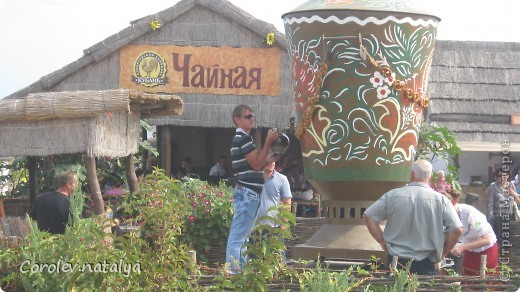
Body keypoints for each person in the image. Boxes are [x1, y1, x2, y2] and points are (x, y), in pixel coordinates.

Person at [363, 159, 463, 275]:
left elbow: (368, 216)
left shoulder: (392, 195)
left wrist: (382, 242)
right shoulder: (441, 200)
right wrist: (443, 253)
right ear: (430, 176)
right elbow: (457, 230)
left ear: (411, 174)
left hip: (396, 259)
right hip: (426, 261)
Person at [225, 104, 279, 274]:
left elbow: (256, 162)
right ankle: (234, 274)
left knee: (243, 237)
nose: (252, 118)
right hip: (248, 193)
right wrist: (268, 141)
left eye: (252, 116)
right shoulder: (243, 138)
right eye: (248, 116)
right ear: (237, 119)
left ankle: (240, 273)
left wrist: (270, 156)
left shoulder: (243, 139)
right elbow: (256, 165)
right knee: (238, 238)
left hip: (249, 193)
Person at [446, 189, 498, 276]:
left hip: (486, 250)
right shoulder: (448, 217)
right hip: (470, 250)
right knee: (468, 278)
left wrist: (462, 248)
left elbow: (486, 240)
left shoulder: (471, 214)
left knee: (486, 281)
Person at [251, 154, 292, 261]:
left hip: (274, 228)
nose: (272, 163)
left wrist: (283, 226)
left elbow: (287, 204)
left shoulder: (282, 179)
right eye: (269, 160)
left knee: (277, 260)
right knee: (253, 260)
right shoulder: (253, 178)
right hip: (254, 227)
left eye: (274, 161)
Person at [486, 169, 520, 243]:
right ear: (496, 177)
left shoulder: (511, 185)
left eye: (504, 175)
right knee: (499, 239)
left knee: (510, 239)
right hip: (498, 217)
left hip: (510, 216)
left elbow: (517, 201)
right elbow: (490, 203)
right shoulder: (493, 186)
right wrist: (490, 218)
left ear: (508, 176)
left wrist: (513, 194)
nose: (502, 177)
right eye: (499, 175)